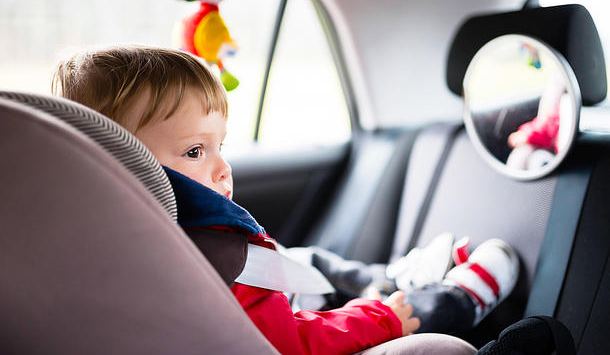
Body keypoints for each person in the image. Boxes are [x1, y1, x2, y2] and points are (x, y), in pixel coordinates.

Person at [51, 45, 516, 354]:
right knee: (396, 309)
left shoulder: (82, 251)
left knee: (304, 261)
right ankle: (453, 298)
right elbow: (289, 341)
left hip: (280, 289)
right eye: (195, 151)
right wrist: (381, 320)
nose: (222, 169)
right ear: (119, 165)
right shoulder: (213, 259)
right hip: (304, 323)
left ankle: (393, 276)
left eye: (220, 147)